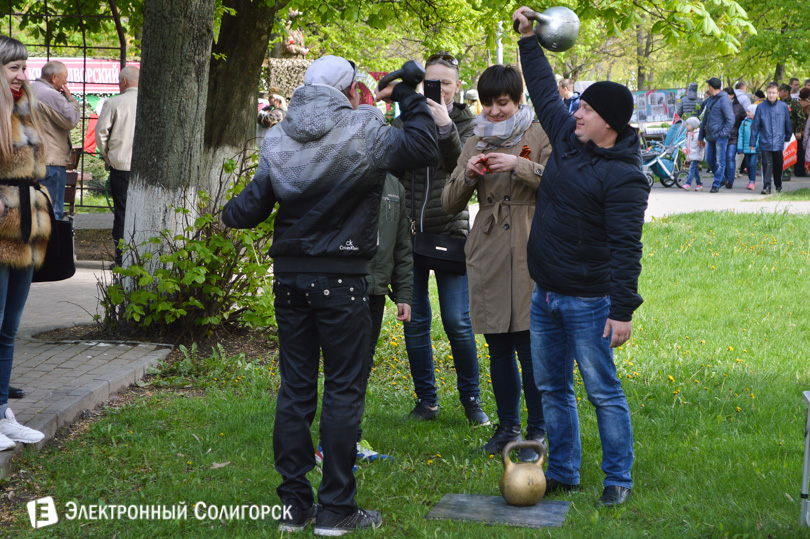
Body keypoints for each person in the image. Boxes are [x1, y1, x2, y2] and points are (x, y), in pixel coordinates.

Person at [222, 54, 438, 535]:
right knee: (343, 389)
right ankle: (337, 508)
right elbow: (425, 146)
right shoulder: (363, 129)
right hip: (342, 278)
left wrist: (224, 213)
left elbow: (250, 209)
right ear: (349, 90)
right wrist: (408, 95)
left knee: (296, 389)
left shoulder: (278, 135)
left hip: (290, 279)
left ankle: (294, 507)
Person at [514, 7, 650, 507]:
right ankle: (564, 471)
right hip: (545, 293)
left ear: (607, 122)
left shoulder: (625, 177)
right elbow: (544, 91)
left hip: (590, 301)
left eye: (587, 109)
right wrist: (527, 39)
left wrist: (622, 310)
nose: (577, 113)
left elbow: (627, 248)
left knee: (602, 391)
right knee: (552, 388)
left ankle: (618, 479)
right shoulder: (569, 141)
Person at [442, 64, 552, 461]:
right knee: (498, 345)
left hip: (529, 245)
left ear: (518, 99)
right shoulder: (475, 140)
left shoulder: (538, 134)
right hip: (487, 250)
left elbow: (561, 183)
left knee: (530, 345)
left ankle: (538, 430)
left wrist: (519, 166)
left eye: (502, 103)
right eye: (487, 103)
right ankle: (507, 428)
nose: (493, 111)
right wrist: (469, 176)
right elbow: (448, 202)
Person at [395, 52, 489, 426]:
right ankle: (427, 402)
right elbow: (394, 166)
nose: (437, 90)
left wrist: (445, 126)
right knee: (415, 321)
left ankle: (472, 401)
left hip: (450, 232)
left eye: (444, 83)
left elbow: (461, 169)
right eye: (430, 83)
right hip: (408, 235)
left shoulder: (468, 124)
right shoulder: (407, 120)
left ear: (457, 86)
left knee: (458, 321)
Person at [0, 35, 50, 451]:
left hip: (28, 229)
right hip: (1, 228)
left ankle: (1, 413)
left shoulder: (25, 109)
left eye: (24, 67)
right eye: (13, 67)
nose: (22, 75)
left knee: (9, 329)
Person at [95, 66, 139, 267]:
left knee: (122, 212)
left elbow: (101, 133)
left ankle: (121, 259)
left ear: (123, 81)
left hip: (120, 165)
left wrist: (107, 156)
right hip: (145, 168)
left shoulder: (113, 103)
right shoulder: (149, 103)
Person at [30, 60, 79, 220]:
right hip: (51, 162)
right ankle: (52, 238)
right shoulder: (50, 94)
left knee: (33, 213)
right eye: (64, 78)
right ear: (54, 77)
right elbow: (72, 119)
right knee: (53, 212)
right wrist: (70, 98)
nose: (66, 82)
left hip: (32, 160)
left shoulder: (29, 90)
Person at [751, 82, 792, 194]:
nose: (771, 95)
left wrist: (788, 137)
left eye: (773, 93)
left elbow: (787, 123)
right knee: (767, 164)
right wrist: (752, 142)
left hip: (779, 141)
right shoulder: (761, 107)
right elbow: (756, 126)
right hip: (765, 140)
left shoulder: (783, 106)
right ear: (766, 93)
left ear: (778, 93)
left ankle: (778, 186)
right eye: (769, 92)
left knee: (778, 164)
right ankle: (767, 187)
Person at [698, 77, 734, 193]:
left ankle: (716, 183)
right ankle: (721, 179)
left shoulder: (724, 100)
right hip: (710, 136)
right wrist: (700, 136)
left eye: (708, 86)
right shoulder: (710, 100)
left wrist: (722, 134)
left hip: (720, 136)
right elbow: (705, 119)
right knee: (709, 160)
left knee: (720, 161)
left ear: (711, 87)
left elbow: (730, 120)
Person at [722, 87, 746, 189]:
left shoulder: (738, 107)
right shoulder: (720, 105)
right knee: (722, 159)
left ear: (732, 95)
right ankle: (724, 178)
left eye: (726, 95)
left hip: (734, 136)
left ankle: (730, 180)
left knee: (730, 157)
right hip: (722, 136)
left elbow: (745, 119)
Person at [737, 104, 759, 191]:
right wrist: (740, 147)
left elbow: (760, 136)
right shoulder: (744, 123)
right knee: (748, 166)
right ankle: (751, 180)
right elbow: (741, 135)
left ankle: (752, 181)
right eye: (747, 111)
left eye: (749, 111)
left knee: (752, 164)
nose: (747, 113)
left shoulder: (758, 123)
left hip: (755, 149)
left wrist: (758, 146)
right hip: (746, 149)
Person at [681, 116, 704, 190]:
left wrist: (702, 144)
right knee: (695, 170)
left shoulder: (699, 134)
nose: (687, 126)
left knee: (691, 169)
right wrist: (684, 149)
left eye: (688, 125)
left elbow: (703, 142)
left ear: (693, 125)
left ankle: (688, 184)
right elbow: (685, 144)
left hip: (697, 155)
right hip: (691, 155)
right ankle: (699, 184)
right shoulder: (688, 134)